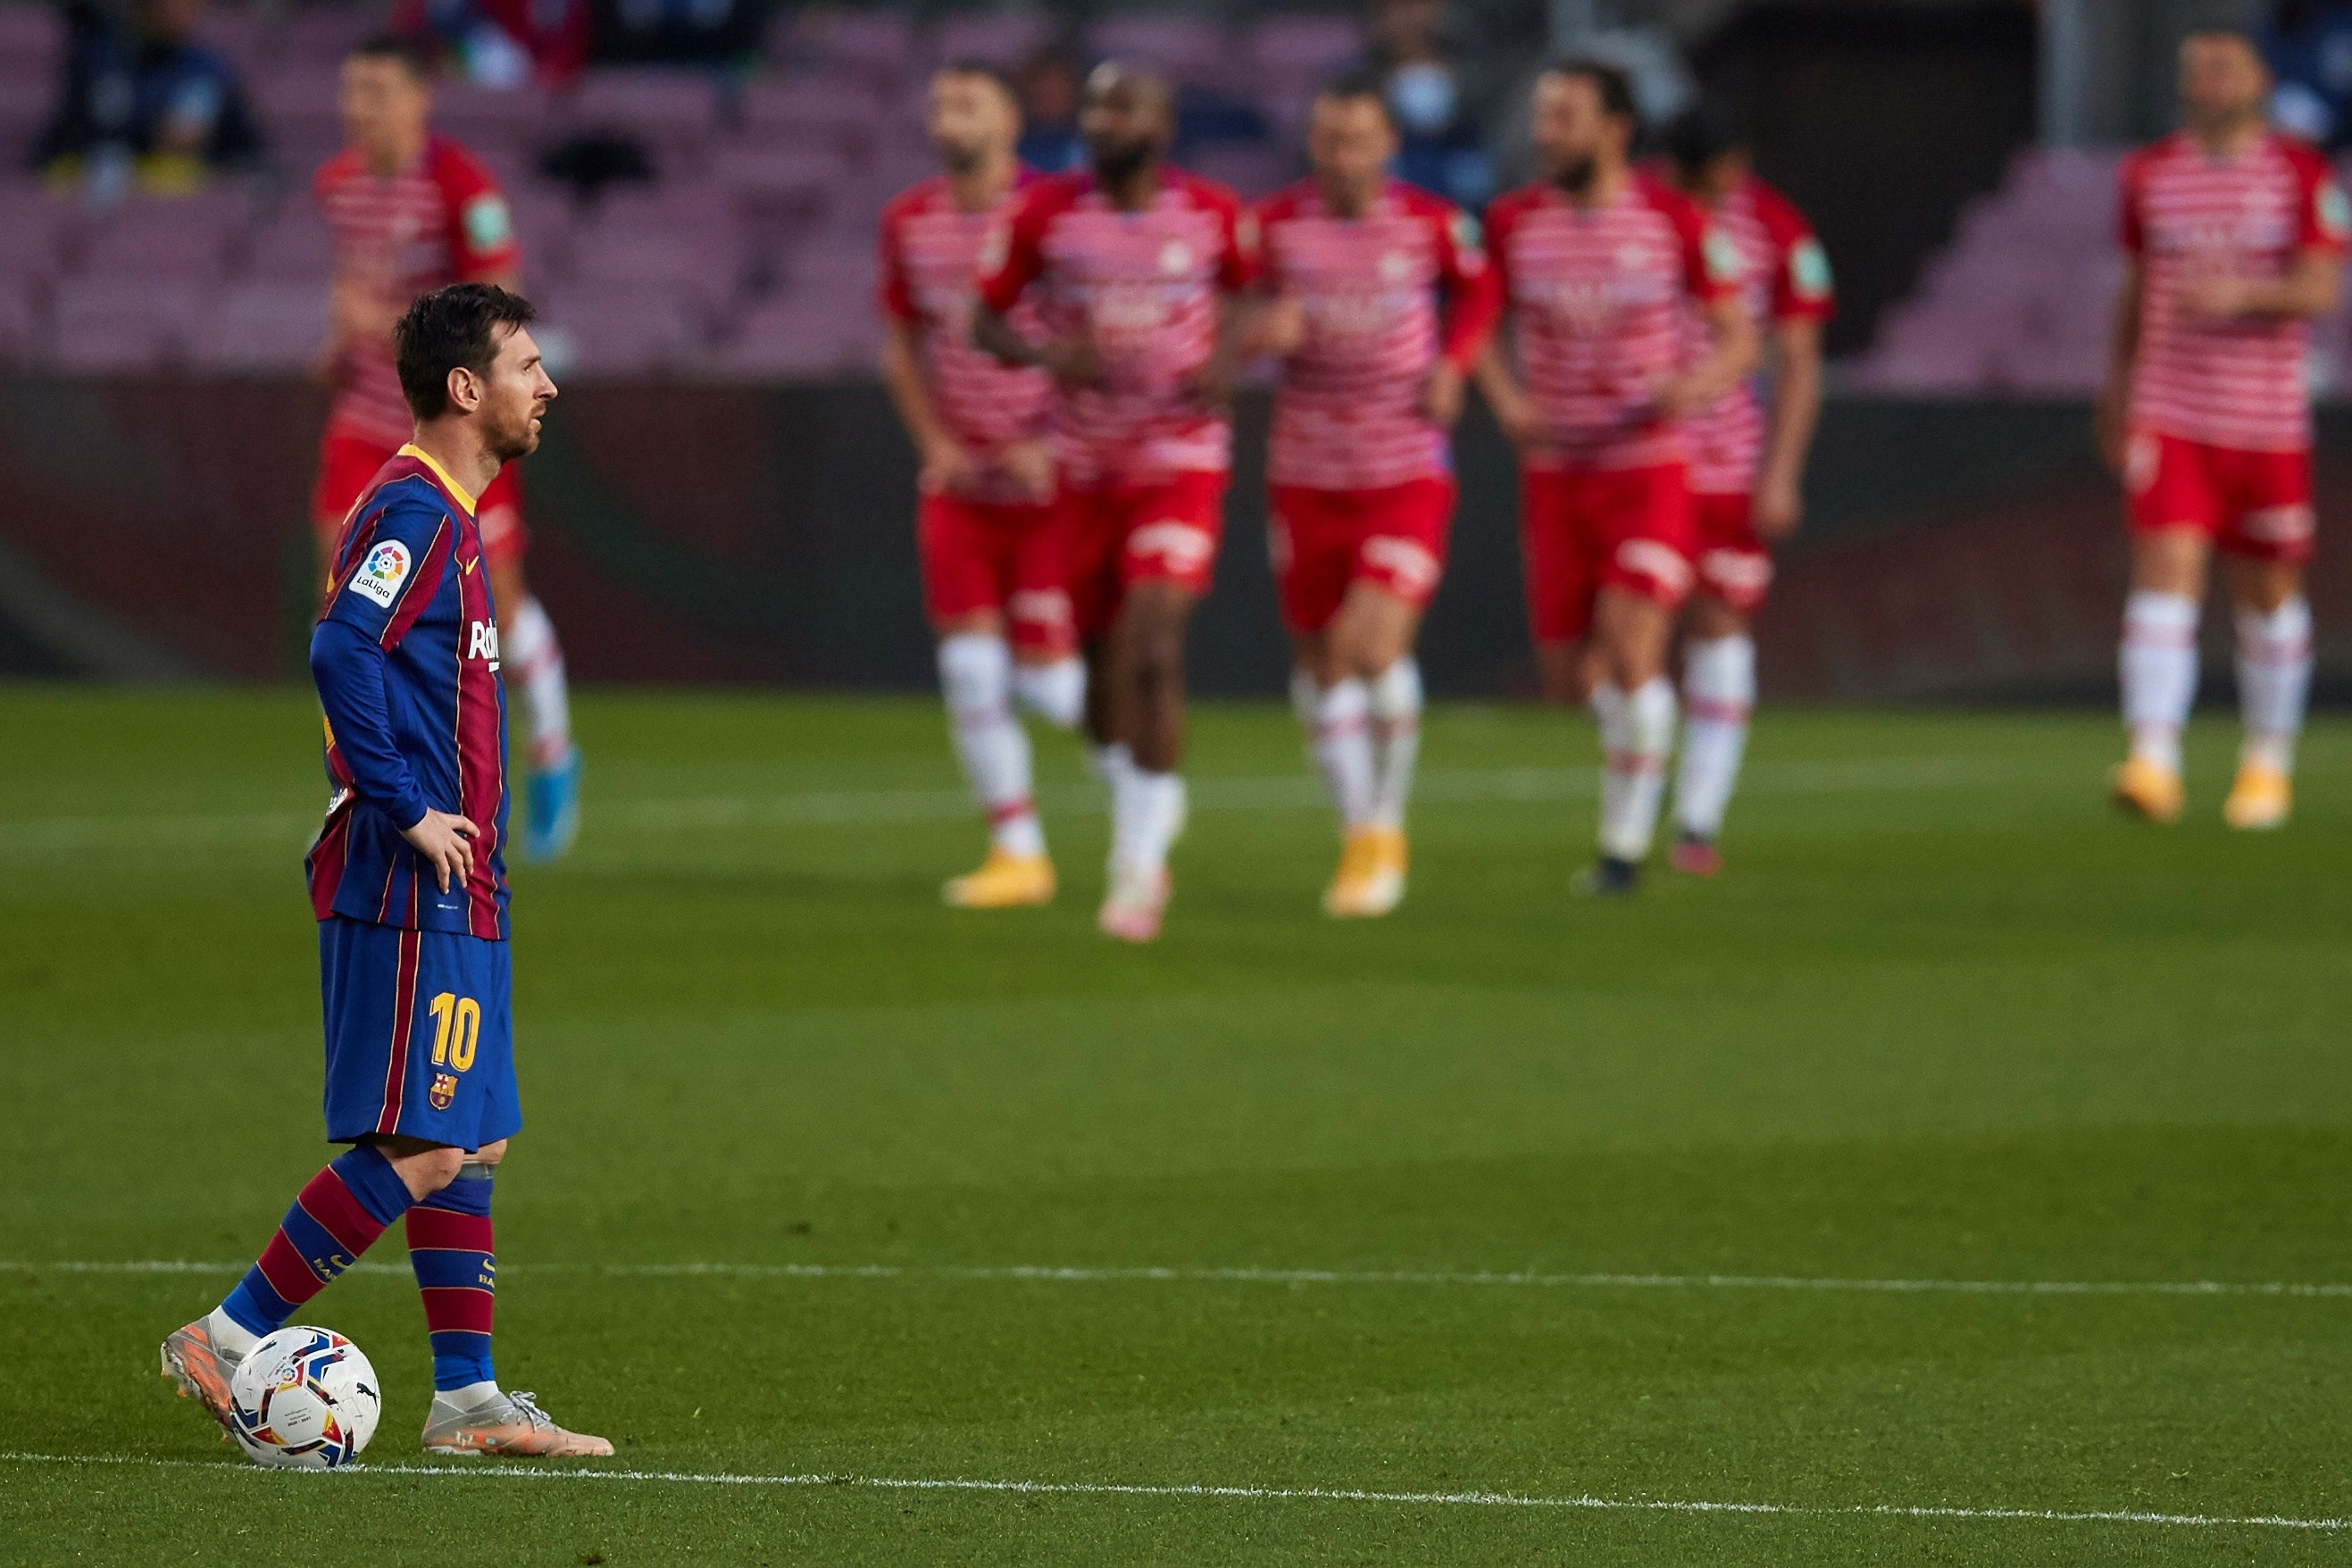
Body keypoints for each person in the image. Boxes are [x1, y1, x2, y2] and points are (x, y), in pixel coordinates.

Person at [162, 282, 610, 1460]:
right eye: (525, 367)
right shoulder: (412, 511)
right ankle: (223, 1331)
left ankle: (466, 1399)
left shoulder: (450, 516)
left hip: (467, 879)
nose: (545, 386)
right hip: (407, 875)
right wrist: (404, 806)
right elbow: (337, 649)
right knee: (423, 1142)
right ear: (468, 390)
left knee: (477, 1136)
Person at [972, 62, 1258, 943]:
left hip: (1179, 458)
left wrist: (1230, 357)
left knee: (1155, 640)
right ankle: (1145, 794)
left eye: (1123, 107)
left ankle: (1136, 868)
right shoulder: (1045, 215)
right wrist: (1050, 360)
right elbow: (983, 318)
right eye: (1096, 108)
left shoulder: (1213, 213)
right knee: (1101, 682)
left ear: (1163, 126)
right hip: (1086, 469)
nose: (1105, 121)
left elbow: (1254, 295)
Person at [1474, 60, 1756, 896]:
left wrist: (1696, 385)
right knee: (1573, 680)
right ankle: (1644, 745)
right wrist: (1506, 400)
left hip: (1647, 468)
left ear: (1615, 131)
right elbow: (1476, 323)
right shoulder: (1512, 221)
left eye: (1563, 116)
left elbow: (1740, 336)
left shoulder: (1673, 220)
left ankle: (1622, 850)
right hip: (1557, 474)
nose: (1543, 132)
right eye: (1541, 114)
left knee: (1634, 651)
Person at [313, 35, 581, 862]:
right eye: (353, 88)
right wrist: (340, 339)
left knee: (492, 598)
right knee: (346, 599)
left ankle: (551, 748)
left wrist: (396, 321)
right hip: (364, 424)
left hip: (451, 425)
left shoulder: (461, 185)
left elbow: (492, 310)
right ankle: (372, 776)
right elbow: (351, 294)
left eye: (380, 90)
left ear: (420, 99)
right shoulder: (339, 186)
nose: (363, 107)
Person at [1255, 74, 1499, 916]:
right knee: (1320, 661)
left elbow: (1481, 288)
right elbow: (1223, 313)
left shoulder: (1431, 223)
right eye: (1329, 140)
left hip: (1403, 468)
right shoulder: (1275, 228)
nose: (1342, 156)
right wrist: (1260, 331)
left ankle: (1385, 826)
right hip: (1306, 474)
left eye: (1357, 139)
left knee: (1369, 646)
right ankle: (1359, 834)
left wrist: (1455, 363)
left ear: (1389, 144)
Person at [2100, 29, 2346, 830]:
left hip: (2266, 422)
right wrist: (2117, 393)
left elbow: (2319, 288)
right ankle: (2153, 760)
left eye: (2221, 67)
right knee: (2164, 572)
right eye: (2194, 69)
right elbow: (2135, 291)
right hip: (2174, 411)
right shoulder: (2150, 173)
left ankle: (2267, 763)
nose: (2205, 81)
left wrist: (2241, 295)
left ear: (2259, 79)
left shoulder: (2301, 174)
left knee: (2266, 593)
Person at [878, 63, 1082, 908]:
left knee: (1053, 687)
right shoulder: (911, 220)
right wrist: (933, 441)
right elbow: (901, 343)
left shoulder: (1057, 212)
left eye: (966, 101)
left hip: (1049, 482)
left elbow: (1099, 332)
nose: (946, 115)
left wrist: (1061, 440)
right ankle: (1018, 850)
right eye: (938, 101)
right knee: (967, 668)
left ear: (1007, 117)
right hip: (961, 484)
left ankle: (1147, 788)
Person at [1659, 104, 1832, 877]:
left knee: (1718, 622)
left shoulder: (1776, 228)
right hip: (1633, 456)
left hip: (1727, 459)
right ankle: (1632, 793)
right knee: (1621, 637)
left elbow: (1798, 359)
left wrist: (1781, 471)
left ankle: (1696, 818)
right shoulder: (1636, 218)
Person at [36, 0, 263, 196]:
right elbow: (60, 147)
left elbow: (249, 154)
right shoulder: (99, 60)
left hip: (186, 209)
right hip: (108, 194)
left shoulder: (209, 70)